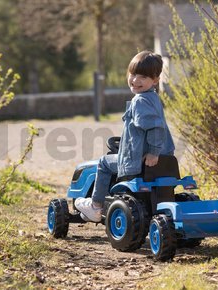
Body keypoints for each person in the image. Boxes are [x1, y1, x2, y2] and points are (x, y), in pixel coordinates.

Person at [75, 50, 175, 222]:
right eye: (133, 74)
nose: (135, 80)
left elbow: (156, 128)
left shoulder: (140, 100)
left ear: (155, 80)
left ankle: (96, 206)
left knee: (104, 163)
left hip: (138, 160)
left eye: (143, 77)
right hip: (159, 158)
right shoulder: (153, 98)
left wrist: (153, 152)